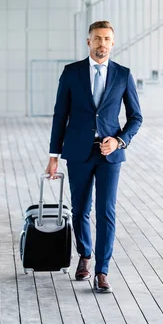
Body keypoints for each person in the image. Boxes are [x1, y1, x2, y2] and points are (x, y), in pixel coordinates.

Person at [46, 20, 142, 293]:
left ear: (113, 43)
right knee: (80, 210)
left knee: (106, 212)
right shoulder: (71, 73)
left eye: (107, 39)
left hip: (109, 155)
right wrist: (54, 154)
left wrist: (119, 140)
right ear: (89, 42)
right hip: (78, 152)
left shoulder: (123, 75)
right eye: (97, 39)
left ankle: (102, 270)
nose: (102, 44)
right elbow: (60, 115)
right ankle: (85, 256)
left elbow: (136, 117)